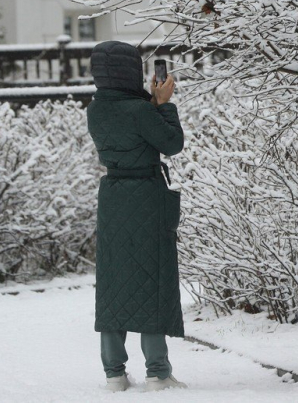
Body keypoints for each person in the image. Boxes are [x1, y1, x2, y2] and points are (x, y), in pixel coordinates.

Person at [87, 41, 187, 392]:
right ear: (131, 71)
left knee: (113, 282)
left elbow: (128, 121)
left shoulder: (95, 109)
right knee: (152, 279)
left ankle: (114, 372)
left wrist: (150, 103)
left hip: (113, 197)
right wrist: (164, 105)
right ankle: (157, 371)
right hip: (146, 194)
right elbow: (171, 144)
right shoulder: (141, 110)